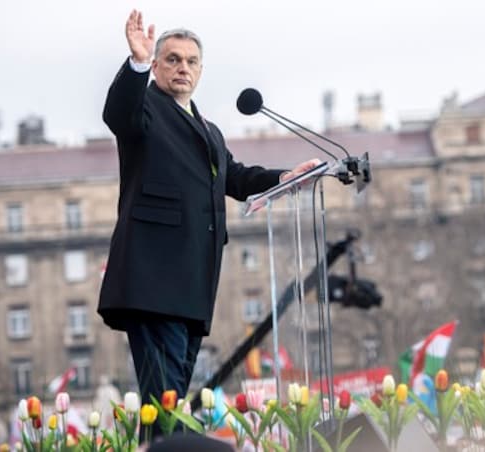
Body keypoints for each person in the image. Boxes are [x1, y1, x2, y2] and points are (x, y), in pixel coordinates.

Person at [97, 9, 321, 438]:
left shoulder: (209, 130)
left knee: (166, 405)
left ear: (200, 71)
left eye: (191, 61)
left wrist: (285, 178)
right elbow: (118, 113)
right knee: (163, 404)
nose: (183, 67)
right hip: (153, 282)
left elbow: (235, 178)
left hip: (193, 286)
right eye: (172, 59)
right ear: (158, 66)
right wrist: (136, 64)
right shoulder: (144, 109)